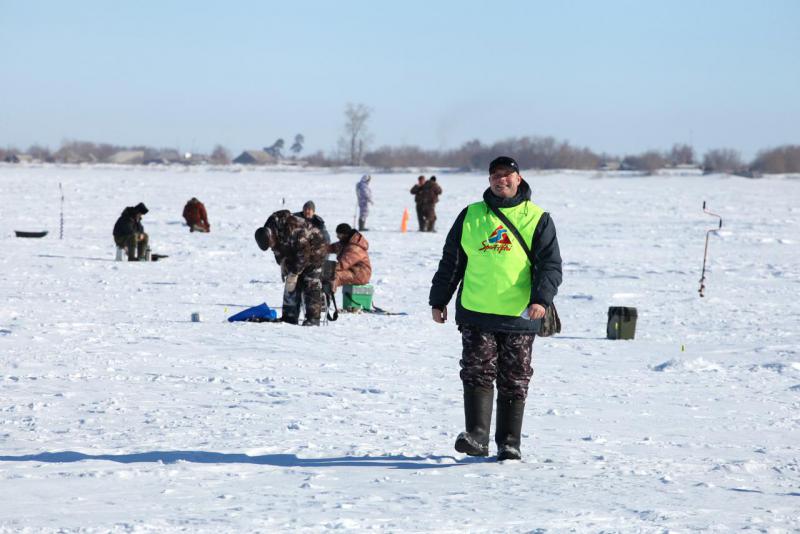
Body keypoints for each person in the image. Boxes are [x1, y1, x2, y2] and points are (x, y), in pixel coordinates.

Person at [429, 156, 562, 461]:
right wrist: (439, 299)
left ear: (519, 178)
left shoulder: (538, 218)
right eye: (494, 176)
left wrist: (541, 299)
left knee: (515, 378)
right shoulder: (471, 215)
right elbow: (452, 262)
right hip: (477, 311)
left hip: (521, 314)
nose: (501, 180)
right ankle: (476, 436)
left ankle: (509, 443)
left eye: (507, 175)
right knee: (476, 373)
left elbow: (550, 266)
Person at [255, 210, 328, 326]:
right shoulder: (270, 229)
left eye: (270, 243)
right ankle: (289, 316)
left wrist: (294, 273)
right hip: (294, 250)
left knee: (310, 282)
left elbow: (304, 253)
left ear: (271, 235)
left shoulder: (294, 229)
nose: (271, 246)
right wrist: (283, 263)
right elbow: (276, 248)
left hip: (315, 249)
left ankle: (313, 318)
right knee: (290, 284)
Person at [328, 223, 371, 290]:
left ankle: (328, 294)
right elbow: (332, 247)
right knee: (329, 274)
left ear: (345, 234)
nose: (337, 237)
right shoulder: (345, 242)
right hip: (352, 270)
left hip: (361, 274)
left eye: (339, 235)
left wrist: (326, 267)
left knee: (334, 276)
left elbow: (342, 264)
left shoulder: (354, 248)